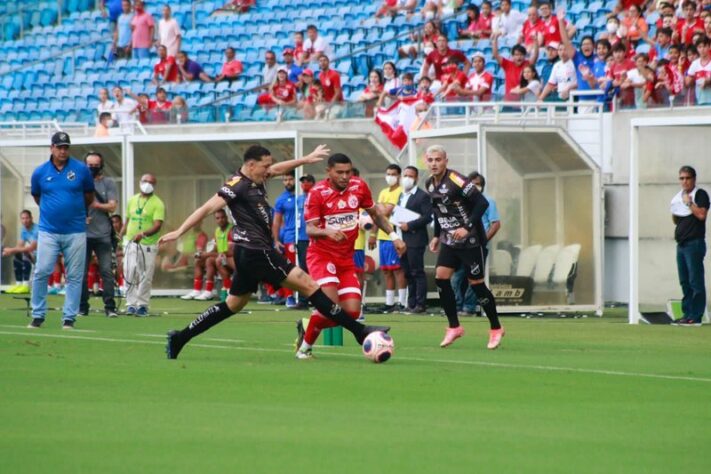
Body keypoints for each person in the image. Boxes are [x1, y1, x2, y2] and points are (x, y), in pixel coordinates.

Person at [160, 145, 392, 360]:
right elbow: (207, 208)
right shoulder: (236, 185)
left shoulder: (256, 177)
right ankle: (361, 332)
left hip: (248, 252)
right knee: (310, 286)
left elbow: (278, 168)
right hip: (256, 251)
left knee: (233, 304)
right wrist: (179, 231)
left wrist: (306, 159)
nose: (269, 170)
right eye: (264, 166)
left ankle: (180, 337)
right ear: (251, 165)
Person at [295, 153, 406, 359]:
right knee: (331, 306)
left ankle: (307, 325)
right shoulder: (317, 193)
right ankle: (304, 350)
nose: (345, 176)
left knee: (353, 312)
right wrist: (327, 231)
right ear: (328, 171)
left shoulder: (359, 186)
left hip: (345, 259)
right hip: (322, 256)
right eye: (340, 172)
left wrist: (393, 236)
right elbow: (310, 229)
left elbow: (376, 215)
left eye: (348, 172)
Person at [424, 144, 504, 349]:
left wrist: (467, 227)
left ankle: (496, 328)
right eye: (431, 160)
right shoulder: (430, 184)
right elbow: (438, 211)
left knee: (476, 284)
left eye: (438, 159)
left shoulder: (456, 179)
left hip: (471, 241)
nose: (434, 163)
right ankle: (454, 327)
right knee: (441, 278)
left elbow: (482, 204)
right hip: (449, 241)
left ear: (445, 161)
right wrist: (436, 236)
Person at [28, 132, 95, 329]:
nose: (63, 151)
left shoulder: (81, 170)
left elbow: (89, 196)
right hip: (48, 230)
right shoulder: (39, 172)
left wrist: (74, 212)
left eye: (66, 147)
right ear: (52, 148)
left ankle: (69, 318)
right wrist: (54, 211)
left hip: (75, 230)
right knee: (42, 271)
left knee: (74, 275)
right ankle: (38, 314)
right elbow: (37, 197)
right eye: (59, 147)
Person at [453, 172, 501, 315]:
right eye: (472, 183)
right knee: (456, 277)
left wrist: (483, 240)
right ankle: (456, 305)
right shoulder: (461, 202)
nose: (475, 186)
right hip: (462, 245)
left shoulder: (488, 201)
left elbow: (495, 224)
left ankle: (469, 307)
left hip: (478, 245)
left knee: (474, 278)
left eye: (478, 184)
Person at [79, 152, 119, 317]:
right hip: (84, 234)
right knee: (81, 272)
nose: (92, 168)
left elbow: (112, 206)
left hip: (103, 235)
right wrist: (81, 216)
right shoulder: (80, 183)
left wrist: (95, 204)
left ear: (101, 166)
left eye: (95, 165)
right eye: (89, 165)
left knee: (106, 271)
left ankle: (110, 307)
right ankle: (82, 306)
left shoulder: (108, 183)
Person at [121, 173, 164, 316]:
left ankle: (142, 305)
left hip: (148, 245)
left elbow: (158, 225)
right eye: (145, 181)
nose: (147, 184)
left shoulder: (158, 203)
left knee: (145, 275)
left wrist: (143, 234)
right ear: (140, 182)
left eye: (151, 182)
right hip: (130, 242)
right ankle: (131, 304)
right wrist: (120, 235)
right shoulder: (132, 200)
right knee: (129, 272)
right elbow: (127, 220)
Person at [671, 165, 709, 326]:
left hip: (694, 244)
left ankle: (696, 315)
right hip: (681, 245)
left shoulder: (700, 195)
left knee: (695, 281)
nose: (684, 181)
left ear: (693, 179)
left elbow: (701, 215)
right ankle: (687, 314)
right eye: (682, 178)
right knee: (685, 281)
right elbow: (675, 218)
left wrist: (689, 203)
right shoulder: (678, 197)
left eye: (687, 178)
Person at [369, 164, 407, 312]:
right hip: (382, 237)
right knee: (386, 271)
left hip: (395, 236)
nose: (390, 176)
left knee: (398, 270)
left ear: (399, 176)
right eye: (388, 173)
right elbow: (377, 214)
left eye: (393, 174)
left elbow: (386, 210)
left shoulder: (400, 191)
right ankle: (389, 303)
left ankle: (402, 302)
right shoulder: (384, 192)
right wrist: (372, 234)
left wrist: (381, 208)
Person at [396, 166, 432, 313]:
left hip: (416, 239)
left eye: (410, 176)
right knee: (407, 273)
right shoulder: (401, 195)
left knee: (417, 272)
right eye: (405, 175)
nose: (407, 178)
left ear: (416, 178)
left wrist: (409, 225)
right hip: (401, 239)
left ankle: (420, 304)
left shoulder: (422, 196)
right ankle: (410, 304)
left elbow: (427, 217)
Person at [182, 211, 229, 301]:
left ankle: (209, 291)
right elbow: (215, 248)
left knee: (209, 260)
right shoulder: (217, 231)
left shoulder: (230, 230)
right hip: (220, 257)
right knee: (199, 260)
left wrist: (206, 254)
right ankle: (197, 290)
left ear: (226, 217)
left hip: (229, 257)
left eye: (222, 217)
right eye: (217, 218)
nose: (220, 220)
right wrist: (202, 254)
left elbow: (229, 251)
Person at [272, 171, 298, 308]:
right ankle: (289, 297)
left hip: (307, 238)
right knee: (290, 269)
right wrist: (276, 240)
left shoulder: (304, 195)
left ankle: (308, 298)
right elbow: (276, 222)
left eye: (290, 179)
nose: (288, 182)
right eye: (285, 179)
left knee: (307, 269)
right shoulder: (281, 199)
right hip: (289, 238)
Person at [492, 33, 539, 100]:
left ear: (525, 56)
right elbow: (495, 54)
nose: (519, 57)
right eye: (516, 55)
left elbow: (535, 56)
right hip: (509, 102)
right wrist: (495, 39)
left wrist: (536, 42)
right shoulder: (507, 64)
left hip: (522, 103)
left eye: (521, 55)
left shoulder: (527, 64)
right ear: (512, 56)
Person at [2, 210, 38, 294]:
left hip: (42, 256)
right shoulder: (24, 230)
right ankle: (19, 284)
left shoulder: (37, 229)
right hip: (33, 255)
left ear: (31, 218)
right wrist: (9, 252)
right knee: (17, 254)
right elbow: (19, 246)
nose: (25, 220)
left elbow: (31, 248)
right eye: (23, 218)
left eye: (27, 218)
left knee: (25, 253)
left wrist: (11, 250)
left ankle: (26, 285)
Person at [685, 37, 711, 105]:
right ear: (697, 49)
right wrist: (690, 79)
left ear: (709, 47)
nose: (702, 49)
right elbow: (687, 82)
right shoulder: (695, 64)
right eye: (699, 47)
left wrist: (708, 81)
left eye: (704, 46)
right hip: (699, 100)